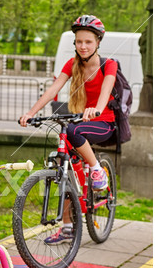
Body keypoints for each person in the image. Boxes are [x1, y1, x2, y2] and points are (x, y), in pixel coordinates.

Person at [20, 15, 117, 245]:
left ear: (98, 43)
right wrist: (31, 113)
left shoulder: (109, 64)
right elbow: (53, 88)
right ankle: (67, 227)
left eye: (88, 42)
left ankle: (97, 171)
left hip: (104, 123)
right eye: (79, 41)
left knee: (73, 131)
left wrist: (97, 109)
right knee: (63, 167)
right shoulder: (71, 66)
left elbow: (106, 91)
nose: (83, 46)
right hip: (83, 121)